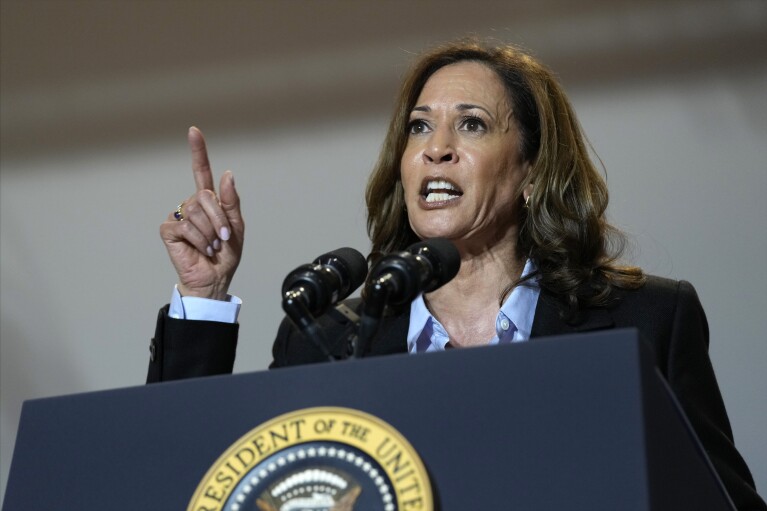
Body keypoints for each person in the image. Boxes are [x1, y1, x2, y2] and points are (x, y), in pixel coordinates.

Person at [146, 40, 765, 509]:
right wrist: (205, 294)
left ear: (531, 170)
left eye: (471, 124)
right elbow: (194, 477)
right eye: (419, 127)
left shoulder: (644, 322)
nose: (435, 148)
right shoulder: (330, 343)